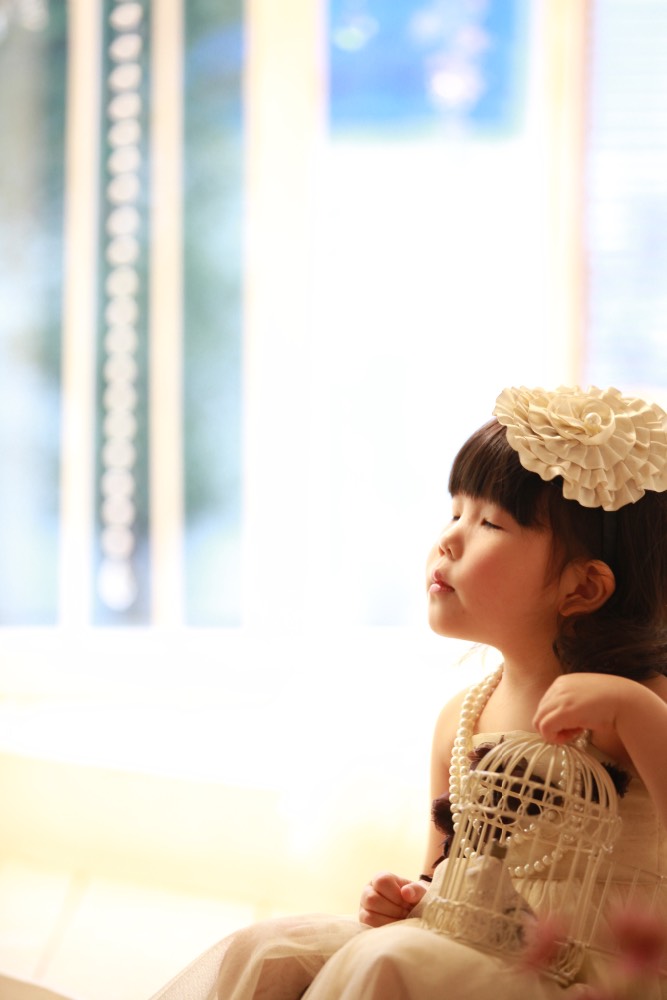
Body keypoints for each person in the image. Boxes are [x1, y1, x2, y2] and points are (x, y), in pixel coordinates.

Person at [152, 385, 667, 1000]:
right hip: (461, 946)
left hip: (579, 972)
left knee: (388, 963)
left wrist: (639, 712)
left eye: (489, 523)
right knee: (267, 948)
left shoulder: (634, 701)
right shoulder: (462, 717)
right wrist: (407, 897)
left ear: (583, 588)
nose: (448, 540)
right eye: (455, 513)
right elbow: (446, 875)